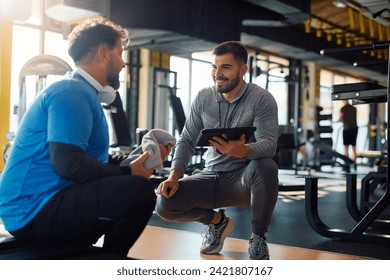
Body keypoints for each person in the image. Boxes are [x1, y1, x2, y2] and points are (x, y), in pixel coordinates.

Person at [0, 18, 171, 258]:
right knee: (138, 191)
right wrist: (128, 173)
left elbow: (90, 159)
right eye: (120, 54)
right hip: (31, 209)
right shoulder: (71, 92)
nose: (123, 63)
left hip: (41, 203)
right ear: (104, 54)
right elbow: (68, 164)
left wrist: (134, 161)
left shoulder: (82, 93)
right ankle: (110, 262)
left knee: (133, 184)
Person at [155, 41, 279, 260]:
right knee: (166, 203)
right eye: (214, 66)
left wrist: (244, 151)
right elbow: (186, 139)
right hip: (210, 176)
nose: (217, 74)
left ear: (243, 70)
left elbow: (269, 144)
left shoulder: (261, 98)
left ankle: (258, 237)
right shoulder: (203, 97)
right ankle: (218, 223)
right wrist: (174, 176)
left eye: (226, 67)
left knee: (266, 166)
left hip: (242, 180)